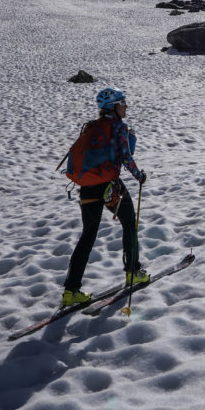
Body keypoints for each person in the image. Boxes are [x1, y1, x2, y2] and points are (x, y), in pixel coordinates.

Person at [61, 87, 148, 307]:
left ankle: (71, 291)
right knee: (129, 223)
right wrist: (139, 176)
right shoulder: (119, 127)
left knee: (88, 235)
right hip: (110, 187)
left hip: (87, 187)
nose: (126, 106)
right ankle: (133, 272)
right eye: (123, 102)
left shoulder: (91, 127)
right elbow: (126, 158)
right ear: (114, 106)